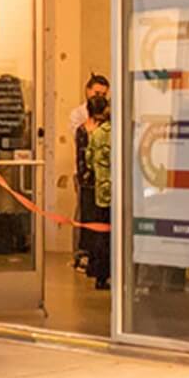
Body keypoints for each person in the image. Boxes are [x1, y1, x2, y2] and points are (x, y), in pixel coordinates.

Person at [71, 74, 108, 277]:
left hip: (102, 181)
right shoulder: (80, 120)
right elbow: (83, 153)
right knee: (83, 216)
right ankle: (81, 255)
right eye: (96, 93)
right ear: (88, 90)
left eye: (103, 94)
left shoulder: (105, 128)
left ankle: (96, 259)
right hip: (88, 178)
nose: (100, 96)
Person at [86, 92, 113, 292]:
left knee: (101, 234)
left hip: (101, 191)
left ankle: (99, 275)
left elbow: (88, 161)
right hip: (118, 191)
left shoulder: (95, 134)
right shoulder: (116, 132)